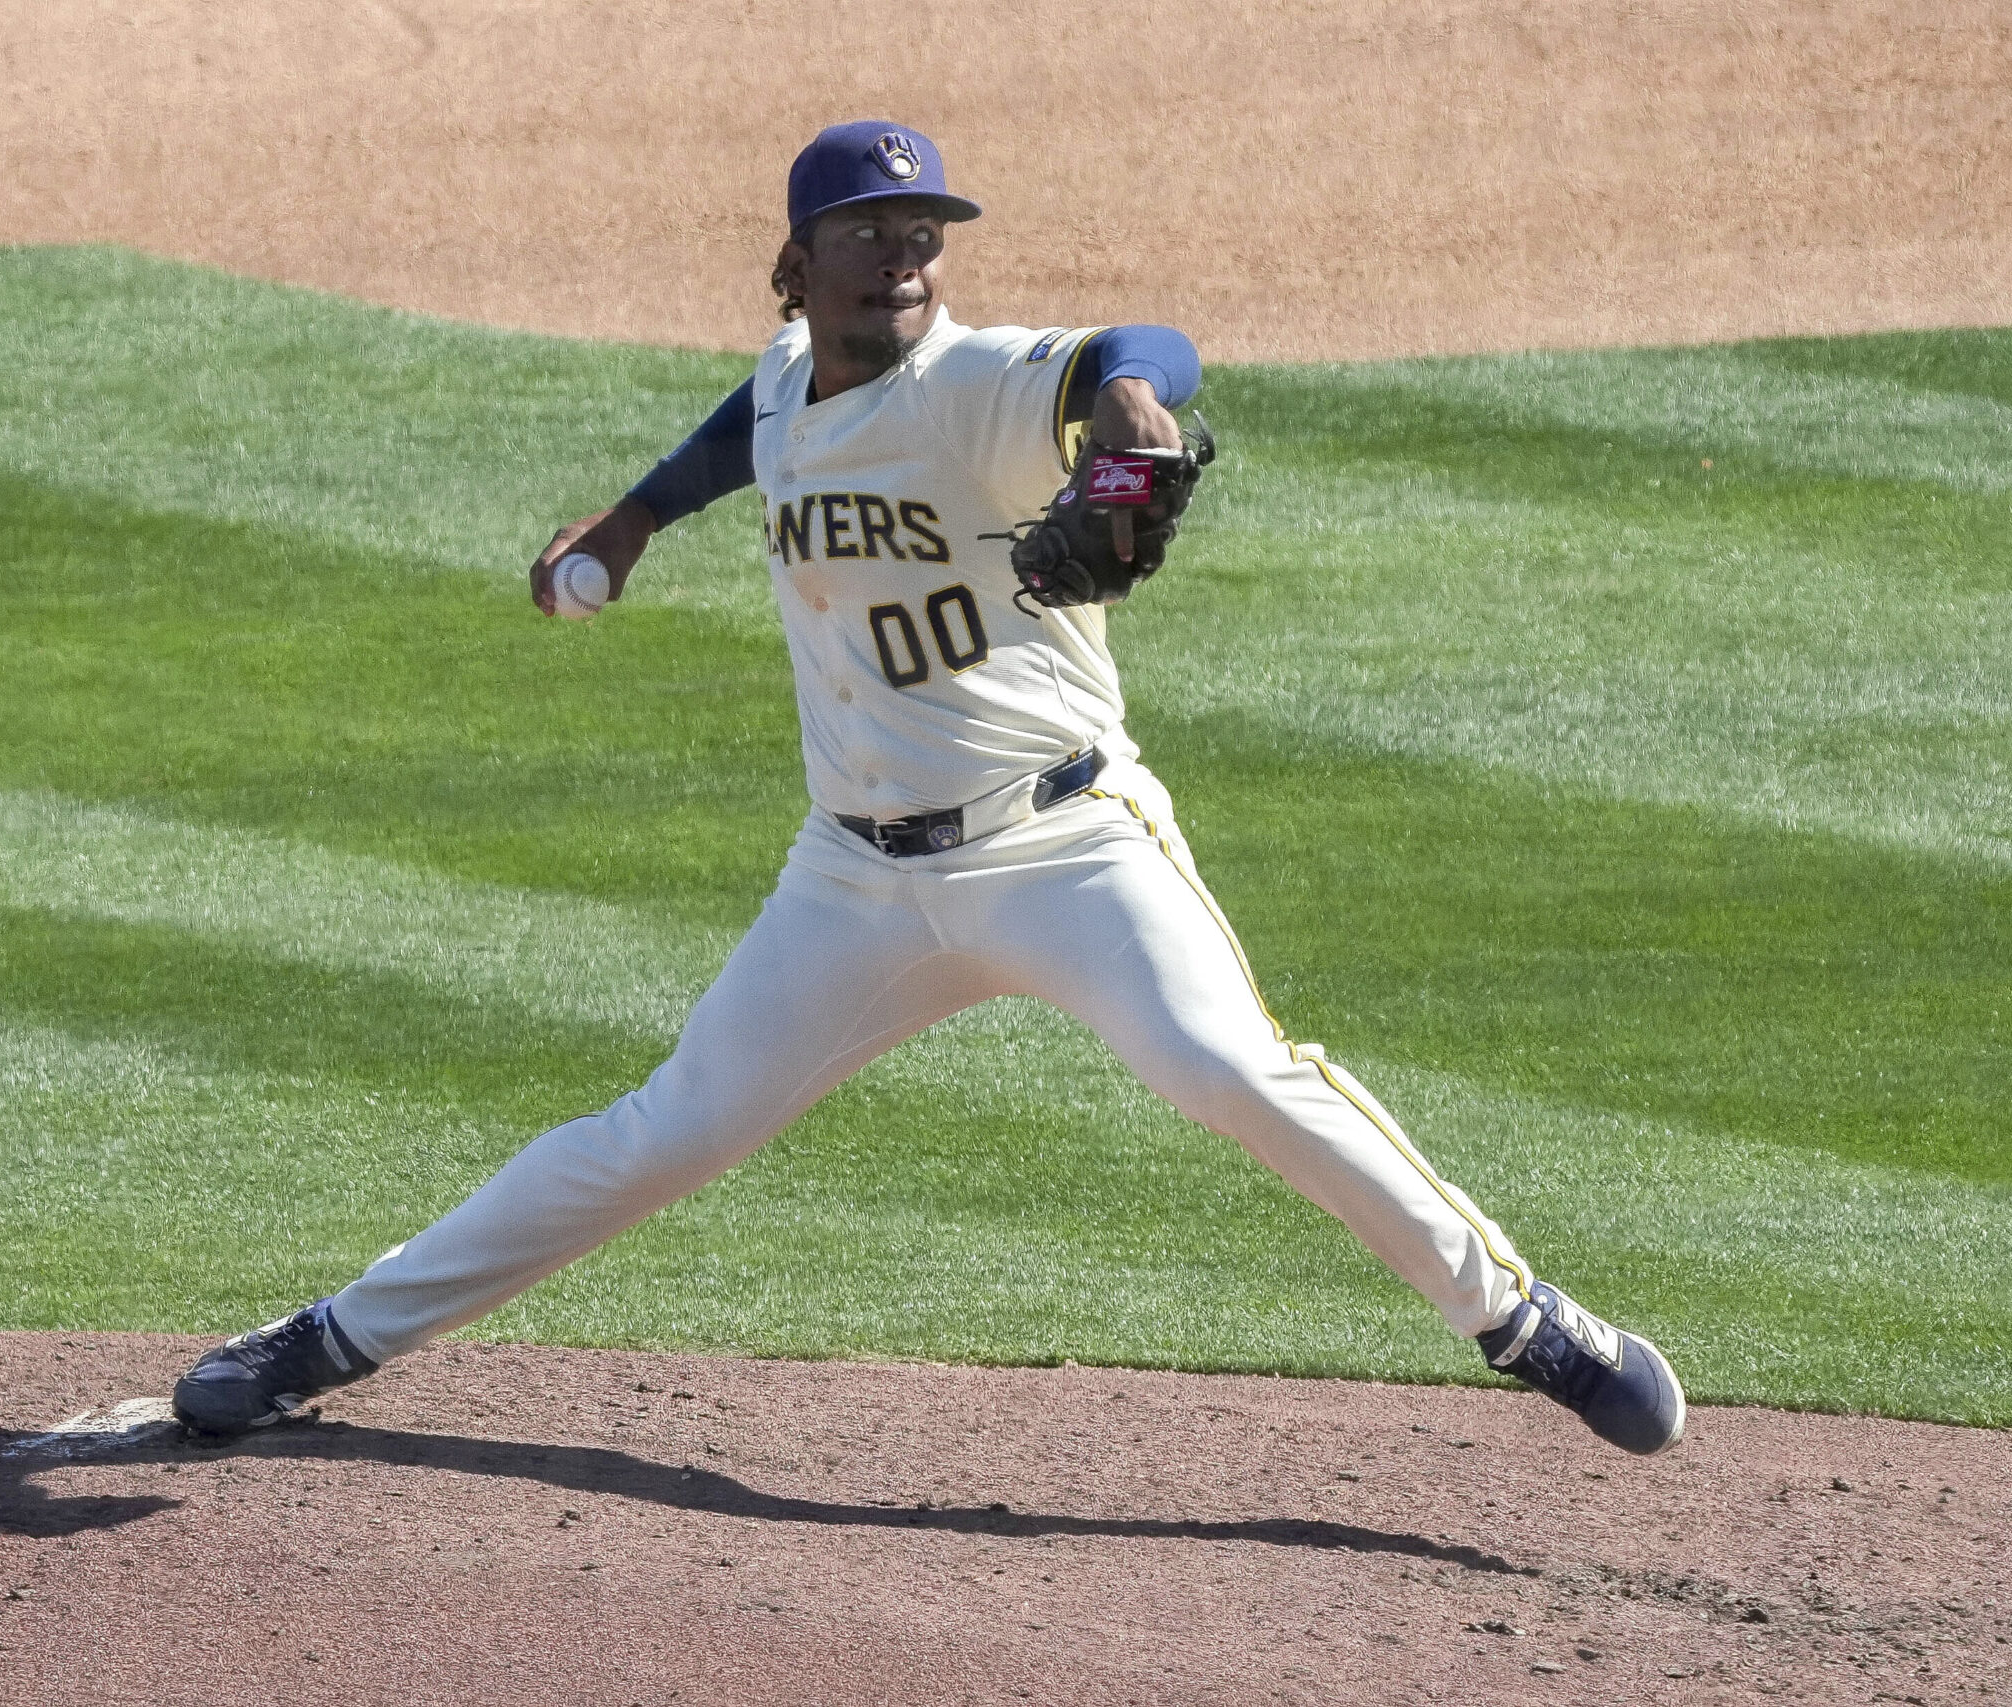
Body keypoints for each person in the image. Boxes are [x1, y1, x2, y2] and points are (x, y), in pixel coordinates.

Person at [172, 121, 1685, 1456]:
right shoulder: (791, 377)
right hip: (854, 884)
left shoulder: (972, 382)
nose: (902, 253)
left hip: (1064, 846)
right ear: (797, 261)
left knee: (1229, 1075)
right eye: (867, 233)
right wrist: (635, 518)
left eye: (923, 232)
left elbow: (1134, 346)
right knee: (666, 1132)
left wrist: (1136, 417)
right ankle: (329, 1342)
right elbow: (760, 425)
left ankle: (1527, 1322)